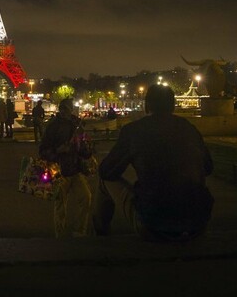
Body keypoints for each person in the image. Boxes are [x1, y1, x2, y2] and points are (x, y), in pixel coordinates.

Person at [93, 84, 214, 242]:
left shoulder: (134, 131)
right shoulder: (188, 128)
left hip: (155, 223)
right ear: (172, 105)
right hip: (197, 222)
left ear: (146, 105)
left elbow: (107, 171)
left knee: (104, 181)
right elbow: (208, 167)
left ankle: (101, 236)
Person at [39, 98, 92, 238]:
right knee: (61, 205)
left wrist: (86, 150)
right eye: (62, 109)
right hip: (59, 170)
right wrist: (58, 150)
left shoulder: (77, 126)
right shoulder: (53, 126)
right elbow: (43, 151)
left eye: (66, 109)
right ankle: (61, 234)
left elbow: (84, 148)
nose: (64, 112)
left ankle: (78, 231)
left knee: (85, 198)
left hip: (75, 169)